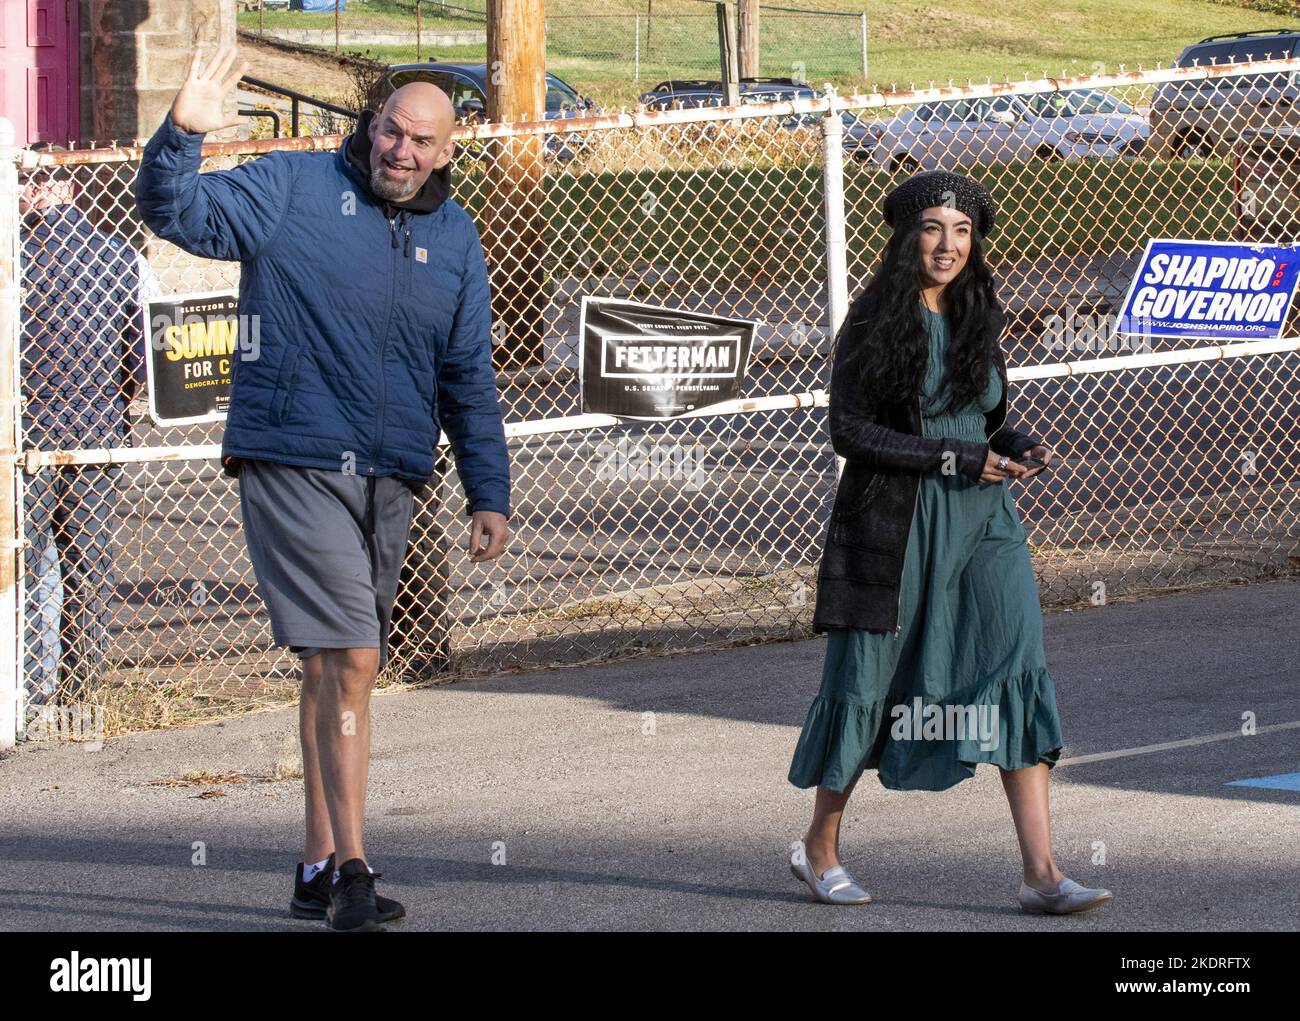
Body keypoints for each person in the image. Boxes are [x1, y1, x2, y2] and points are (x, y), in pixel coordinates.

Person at [135, 48, 512, 931]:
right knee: (352, 657)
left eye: (423, 140)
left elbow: (469, 376)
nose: (401, 150)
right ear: (370, 122)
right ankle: (352, 869)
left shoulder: (454, 239)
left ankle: (311, 862)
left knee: (334, 672)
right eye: (391, 128)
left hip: (390, 477)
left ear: (448, 152)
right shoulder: (292, 189)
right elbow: (175, 209)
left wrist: (487, 490)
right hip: (293, 457)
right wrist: (183, 133)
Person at [787, 170, 1113, 915]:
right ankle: (819, 849)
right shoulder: (875, 319)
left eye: (963, 231)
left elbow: (986, 418)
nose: (949, 244)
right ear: (907, 237)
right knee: (868, 684)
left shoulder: (977, 312)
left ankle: (1041, 874)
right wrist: (956, 456)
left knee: (1014, 661)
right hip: (897, 529)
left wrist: (1015, 442)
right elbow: (850, 431)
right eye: (934, 228)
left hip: (986, 523)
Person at [19, 149, 144, 708]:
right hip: (99, 425)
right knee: (88, 561)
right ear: (70, 188)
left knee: (27, 556)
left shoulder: (14, 259)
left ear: (29, 191)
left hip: (27, 429)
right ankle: (80, 681)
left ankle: (29, 685)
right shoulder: (120, 256)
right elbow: (145, 362)